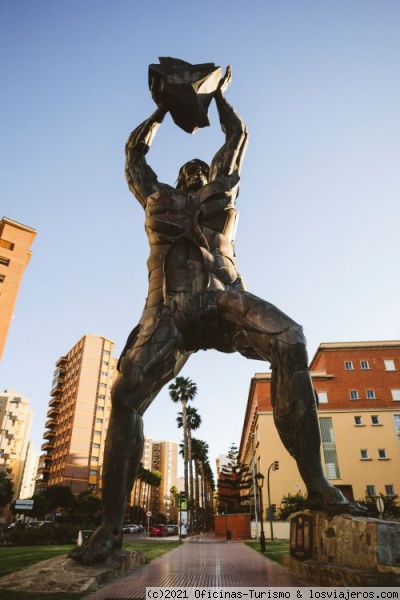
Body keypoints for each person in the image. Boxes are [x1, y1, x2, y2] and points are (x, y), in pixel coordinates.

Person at [70, 67, 353, 565]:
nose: (195, 172)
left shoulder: (221, 191)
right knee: (125, 393)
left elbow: (237, 136)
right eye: (189, 170)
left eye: (202, 170)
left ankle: (317, 485)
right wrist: (162, 107)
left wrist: (218, 94)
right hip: (169, 310)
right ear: (178, 177)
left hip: (223, 299)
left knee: (291, 339)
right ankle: (109, 529)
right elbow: (133, 156)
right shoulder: (157, 198)